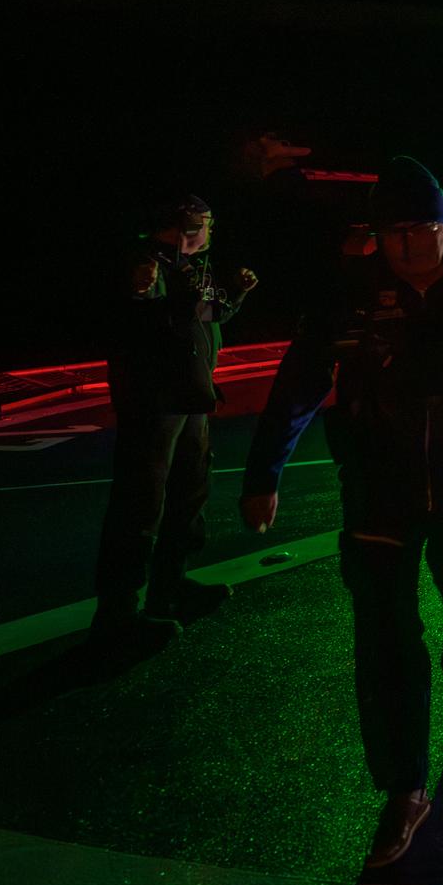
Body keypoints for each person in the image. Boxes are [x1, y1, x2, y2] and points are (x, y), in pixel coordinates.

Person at [240, 157, 443, 868]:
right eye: (395, 232)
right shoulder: (349, 297)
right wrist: (265, 473)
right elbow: (301, 380)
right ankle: (406, 788)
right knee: (384, 636)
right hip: (377, 483)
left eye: (423, 229)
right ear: (378, 238)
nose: (410, 244)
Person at [93, 195, 256, 651]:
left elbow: (206, 315)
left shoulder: (189, 267)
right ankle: (118, 612)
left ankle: (170, 586)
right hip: (154, 402)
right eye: (201, 224)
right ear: (182, 226)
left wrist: (235, 294)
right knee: (141, 503)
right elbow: (137, 318)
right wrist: (150, 290)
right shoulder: (144, 265)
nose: (207, 232)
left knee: (188, 492)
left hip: (191, 398)